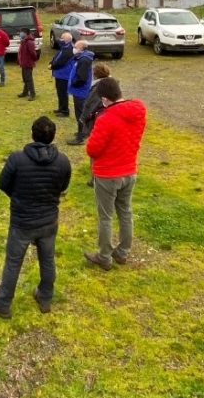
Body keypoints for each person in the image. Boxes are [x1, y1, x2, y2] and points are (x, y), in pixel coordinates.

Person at [0, 116, 72, 319]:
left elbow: (3, 184)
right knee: (47, 259)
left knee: (13, 262)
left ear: (32, 134)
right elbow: (63, 187)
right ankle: (45, 297)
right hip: (49, 220)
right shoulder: (63, 161)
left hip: (22, 222)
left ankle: (3, 303)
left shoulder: (17, 159)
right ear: (53, 136)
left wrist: (19, 197)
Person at [84, 78, 147, 271]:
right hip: (129, 171)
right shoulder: (138, 111)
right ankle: (122, 251)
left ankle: (104, 256)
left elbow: (92, 149)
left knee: (106, 216)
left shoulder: (106, 119)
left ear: (104, 99)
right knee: (125, 212)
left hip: (108, 175)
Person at [68, 62, 111, 147]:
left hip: (97, 114)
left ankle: (80, 138)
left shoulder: (98, 86)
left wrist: (83, 117)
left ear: (96, 74)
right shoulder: (108, 82)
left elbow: (91, 104)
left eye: (93, 71)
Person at [66, 41, 95, 144]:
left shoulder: (84, 60)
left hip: (80, 91)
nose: (74, 48)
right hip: (80, 90)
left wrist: (74, 83)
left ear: (82, 48)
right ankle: (84, 132)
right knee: (81, 112)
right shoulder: (83, 58)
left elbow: (82, 78)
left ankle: (80, 137)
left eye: (76, 46)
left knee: (80, 114)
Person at [48, 33, 74, 117]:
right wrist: (51, 62)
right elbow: (56, 57)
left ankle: (65, 111)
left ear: (66, 40)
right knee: (60, 92)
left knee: (63, 93)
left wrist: (52, 66)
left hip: (64, 75)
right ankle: (61, 107)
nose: (60, 40)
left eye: (62, 38)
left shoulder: (68, 50)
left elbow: (61, 62)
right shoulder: (64, 48)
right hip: (59, 74)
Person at [16, 28, 38, 100]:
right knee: (25, 78)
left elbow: (33, 53)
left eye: (22, 32)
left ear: (26, 33)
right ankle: (25, 92)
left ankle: (32, 94)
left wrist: (33, 60)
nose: (20, 34)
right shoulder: (23, 41)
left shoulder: (29, 42)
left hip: (28, 63)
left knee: (28, 79)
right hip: (24, 63)